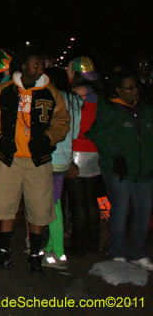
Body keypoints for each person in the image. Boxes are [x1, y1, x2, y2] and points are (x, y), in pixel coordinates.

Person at [0, 49, 70, 273]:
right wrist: (0, 138)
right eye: (35, 64)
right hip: (9, 158)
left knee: (40, 209)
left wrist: (47, 139)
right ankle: (3, 251)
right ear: (23, 66)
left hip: (38, 160)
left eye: (42, 65)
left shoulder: (51, 92)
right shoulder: (5, 89)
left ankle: (35, 254)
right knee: (4, 206)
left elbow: (62, 121)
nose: (39, 68)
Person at [88, 71, 153, 271]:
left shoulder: (146, 110)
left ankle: (137, 253)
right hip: (119, 172)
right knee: (120, 211)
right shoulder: (110, 110)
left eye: (136, 87)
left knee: (143, 212)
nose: (135, 91)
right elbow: (101, 136)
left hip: (144, 172)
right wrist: (116, 157)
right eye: (129, 87)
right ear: (118, 89)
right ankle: (117, 253)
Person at [42, 67, 81, 270]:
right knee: (54, 202)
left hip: (50, 156)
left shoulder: (51, 97)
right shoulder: (75, 100)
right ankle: (51, 246)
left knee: (52, 205)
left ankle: (58, 253)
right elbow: (74, 133)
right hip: (64, 156)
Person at [64, 56, 103, 254]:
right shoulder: (97, 93)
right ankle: (92, 242)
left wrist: (68, 81)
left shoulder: (77, 92)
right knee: (90, 200)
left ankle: (79, 245)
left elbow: (69, 122)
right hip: (94, 151)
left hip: (78, 150)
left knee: (78, 201)